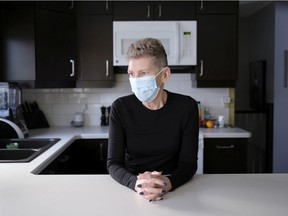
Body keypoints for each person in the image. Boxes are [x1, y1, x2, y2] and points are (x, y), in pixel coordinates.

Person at [107, 38, 199, 202]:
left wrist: (167, 183)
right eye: (131, 74)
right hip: (132, 185)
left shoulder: (187, 107)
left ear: (164, 75)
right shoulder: (120, 108)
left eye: (143, 73)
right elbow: (114, 164)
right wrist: (137, 184)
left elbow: (188, 163)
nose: (136, 80)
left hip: (173, 185)